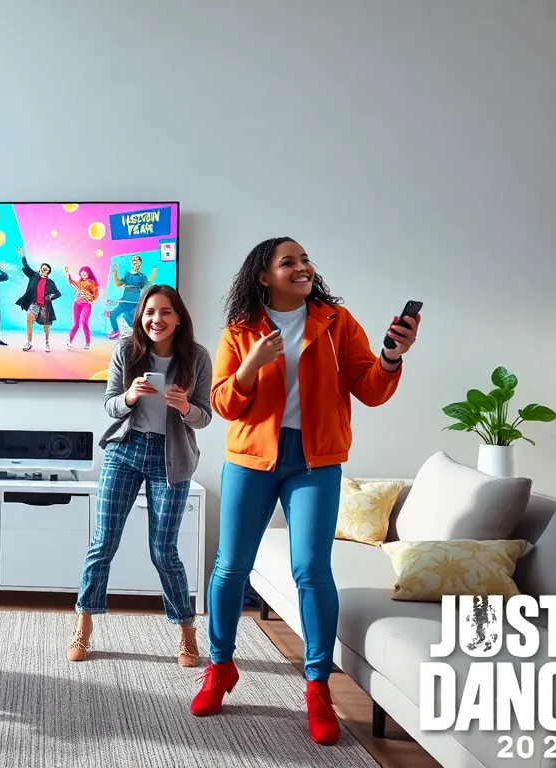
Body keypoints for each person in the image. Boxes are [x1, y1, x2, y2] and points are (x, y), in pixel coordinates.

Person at [193, 237, 419, 746]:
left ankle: (318, 688)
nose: (303, 267)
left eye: (305, 259)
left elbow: (370, 389)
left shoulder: (337, 323)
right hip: (252, 460)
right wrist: (251, 364)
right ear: (264, 275)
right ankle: (220, 667)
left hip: (316, 461)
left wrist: (390, 356)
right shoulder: (240, 330)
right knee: (230, 567)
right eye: (288, 262)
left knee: (312, 571)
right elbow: (224, 404)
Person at [69, 285, 212, 667]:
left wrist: (185, 407)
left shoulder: (197, 357)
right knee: (103, 543)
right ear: (140, 316)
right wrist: (130, 396)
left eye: (165, 312)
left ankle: (186, 630)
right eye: (150, 312)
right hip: (125, 452)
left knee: (164, 550)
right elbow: (110, 405)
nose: (156, 319)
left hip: (171, 458)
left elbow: (205, 415)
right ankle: (83, 625)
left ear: (178, 318)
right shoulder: (126, 351)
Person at [14, 246, 62, 352]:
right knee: (29, 321)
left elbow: (58, 293)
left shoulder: (50, 282)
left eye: (46, 269)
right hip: (34, 304)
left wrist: (50, 297)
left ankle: (47, 343)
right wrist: (22, 256)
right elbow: (26, 267)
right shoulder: (34, 277)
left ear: (48, 272)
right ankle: (29, 342)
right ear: (40, 269)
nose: (43, 270)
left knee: (46, 326)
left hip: (45, 306)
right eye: (42, 268)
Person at [107, 255, 157, 339]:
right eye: (133, 260)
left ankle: (140, 335)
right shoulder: (127, 275)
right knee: (112, 315)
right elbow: (118, 284)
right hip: (124, 301)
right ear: (131, 262)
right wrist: (114, 272)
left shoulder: (142, 276)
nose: (135, 262)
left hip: (134, 303)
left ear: (140, 262)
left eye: (137, 260)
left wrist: (153, 272)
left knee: (128, 319)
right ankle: (116, 331)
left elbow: (147, 283)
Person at [64, 265, 100, 349]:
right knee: (76, 324)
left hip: (86, 304)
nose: (83, 274)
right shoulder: (79, 282)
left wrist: (91, 301)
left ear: (88, 273)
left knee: (84, 323)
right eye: (82, 272)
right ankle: (69, 341)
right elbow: (71, 281)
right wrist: (67, 273)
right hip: (77, 304)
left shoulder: (91, 283)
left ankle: (87, 343)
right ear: (80, 274)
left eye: (85, 272)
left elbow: (96, 293)